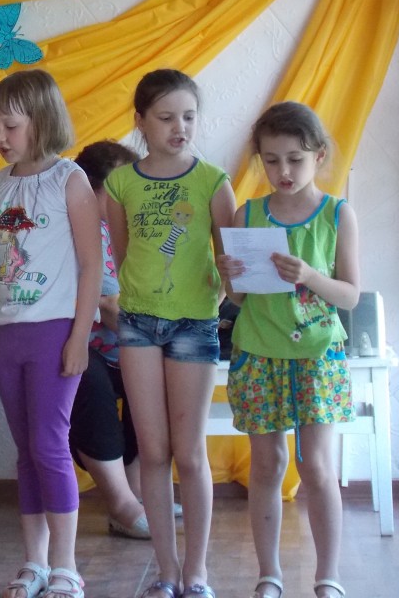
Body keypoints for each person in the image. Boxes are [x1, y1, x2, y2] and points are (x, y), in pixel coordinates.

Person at [217, 102, 359, 598]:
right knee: (266, 465)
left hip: (319, 356)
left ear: (318, 156)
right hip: (258, 353)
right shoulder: (248, 214)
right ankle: (269, 574)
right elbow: (239, 300)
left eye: (295, 159)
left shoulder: (338, 213)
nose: (283, 171)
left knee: (317, 467)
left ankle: (328, 576)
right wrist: (230, 277)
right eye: (272, 160)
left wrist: (310, 276)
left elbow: (350, 295)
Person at [104, 69, 235, 598]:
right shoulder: (120, 184)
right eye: (165, 118)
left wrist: (207, 303)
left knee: (189, 452)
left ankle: (196, 572)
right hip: (137, 325)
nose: (180, 128)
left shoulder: (213, 181)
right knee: (153, 452)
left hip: (193, 328)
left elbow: (231, 265)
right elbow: (122, 254)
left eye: (188, 117)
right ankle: (166, 570)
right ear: (140, 121)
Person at [0, 69, 102, 598]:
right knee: (26, 449)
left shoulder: (69, 180)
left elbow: (92, 265)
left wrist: (79, 336)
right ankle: (34, 561)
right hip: (5, 332)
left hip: (54, 332)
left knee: (50, 445)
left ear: (42, 120)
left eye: (9, 126)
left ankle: (65, 565)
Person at [68, 139, 154, 538]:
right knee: (89, 382)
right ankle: (120, 502)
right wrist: (110, 308)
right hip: (83, 346)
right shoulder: (76, 229)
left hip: (129, 343)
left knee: (151, 374)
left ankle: (139, 493)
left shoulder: (138, 228)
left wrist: (114, 309)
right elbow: (101, 305)